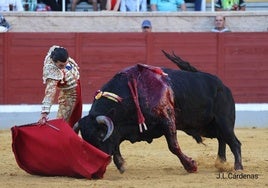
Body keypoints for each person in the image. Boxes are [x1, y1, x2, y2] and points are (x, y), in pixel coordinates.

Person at [39, 45, 82, 129]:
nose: (64, 66)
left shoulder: (58, 53)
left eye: (66, 63)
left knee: (75, 121)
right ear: (55, 62)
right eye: (61, 65)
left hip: (77, 89)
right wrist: (44, 114)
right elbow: (50, 93)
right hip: (69, 95)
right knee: (61, 124)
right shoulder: (51, 71)